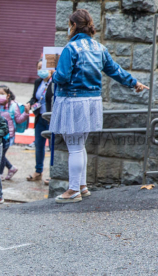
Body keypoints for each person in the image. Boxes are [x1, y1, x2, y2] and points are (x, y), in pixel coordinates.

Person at [50, 9, 148, 204]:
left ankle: (72, 190)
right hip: (92, 101)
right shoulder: (99, 48)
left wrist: (52, 74)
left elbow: (62, 77)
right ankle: (82, 186)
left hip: (73, 101)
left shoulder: (71, 48)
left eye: (69, 25)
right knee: (80, 145)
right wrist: (134, 82)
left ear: (74, 26)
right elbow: (115, 70)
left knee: (75, 147)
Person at [25, 60, 54, 184]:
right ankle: (38, 172)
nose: (41, 70)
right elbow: (35, 98)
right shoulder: (38, 82)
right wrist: (29, 103)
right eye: (39, 67)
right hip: (39, 118)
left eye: (44, 67)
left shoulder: (55, 83)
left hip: (51, 118)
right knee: (39, 145)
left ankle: (53, 174)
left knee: (53, 146)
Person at [0, 85, 29, 180]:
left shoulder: (14, 106)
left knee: (0, 154)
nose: (0, 96)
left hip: (8, 136)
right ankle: (11, 168)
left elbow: (18, 119)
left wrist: (26, 113)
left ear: (8, 95)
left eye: (2, 94)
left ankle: (0, 174)